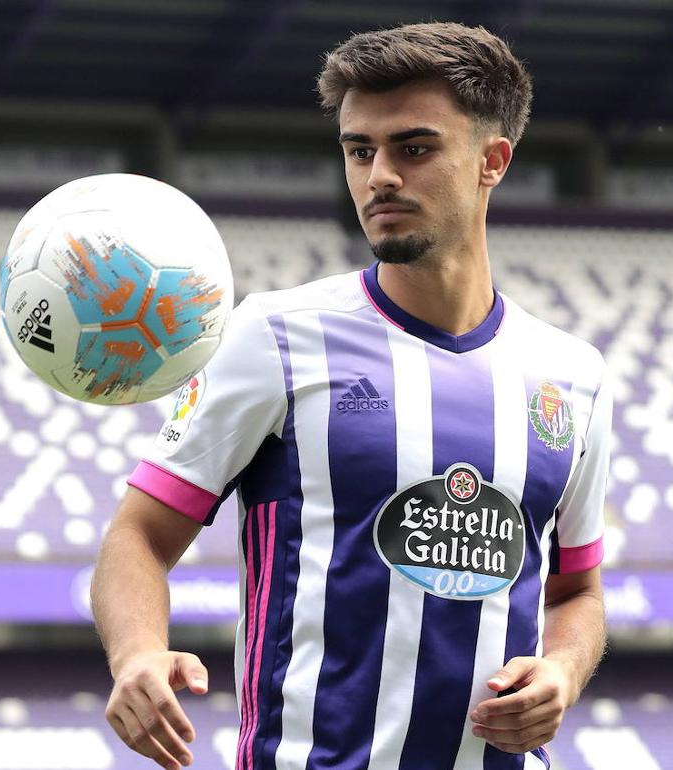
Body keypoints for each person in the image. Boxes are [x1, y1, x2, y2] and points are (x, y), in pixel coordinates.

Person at [92, 21, 611, 770]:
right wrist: (138, 653)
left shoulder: (572, 377)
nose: (379, 177)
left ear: (491, 161)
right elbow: (137, 536)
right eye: (359, 151)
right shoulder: (275, 334)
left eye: (415, 148)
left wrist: (562, 670)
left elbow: (577, 591)